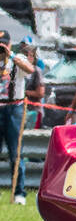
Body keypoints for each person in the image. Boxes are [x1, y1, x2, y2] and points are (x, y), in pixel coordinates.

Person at [0, 31, 35, 203]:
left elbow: (30, 70)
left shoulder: (18, 58)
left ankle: (19, 192)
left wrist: (11, 54)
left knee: (15, 152)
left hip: (14, 109)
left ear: (9, 43)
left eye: (4, 44)